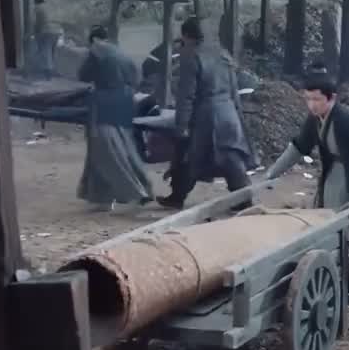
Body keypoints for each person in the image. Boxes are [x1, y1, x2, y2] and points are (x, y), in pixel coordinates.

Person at [267, 64, 349, 304]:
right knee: (327, 225)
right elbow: (298, 148)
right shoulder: (315, 120)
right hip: (333, 176)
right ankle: (334, 277)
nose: (312, 105)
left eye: (317, 99)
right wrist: (272, 174)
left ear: (332, 98)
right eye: (308, 99)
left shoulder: (346, 121)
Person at [159, 18, 259, 210]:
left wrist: (182, 125)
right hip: (228, 111)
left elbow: (186, 96)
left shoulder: (191, 56)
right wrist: (237, 114)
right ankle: (243, 199)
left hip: (207, 116)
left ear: (187, 36)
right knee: (231, 158)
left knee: (190, 156)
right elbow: (233, 88)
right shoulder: (222, 53)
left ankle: (177, 197)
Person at [75, 25, 154, 211]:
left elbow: (83, 75)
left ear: (94, 40)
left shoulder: (96, 51)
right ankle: (103, 198)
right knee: (124, 148)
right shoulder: (121, 52)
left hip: (104, 105)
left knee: (105, 152)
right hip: (125, 104)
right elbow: (136, 78)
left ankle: (136, 191)